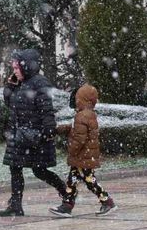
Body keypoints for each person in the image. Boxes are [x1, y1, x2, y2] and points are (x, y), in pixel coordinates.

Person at [0, 49, 68, 217]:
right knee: (15, 168)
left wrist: (47, 131)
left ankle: (66, 192)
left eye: (16, 67)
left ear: (26, 66)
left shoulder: (39, 83)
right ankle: (16, 205)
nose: (14, 71)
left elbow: (46, 109)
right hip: (19, 135)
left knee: (39, 170)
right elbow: (10, 103)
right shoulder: (20, 83)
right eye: (13, 68)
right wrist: (9, 86)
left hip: (34, 136)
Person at [50, 84, 117, 217]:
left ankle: (107, 201)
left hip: (82, 156)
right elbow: (77, 129)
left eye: (77, 99)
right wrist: (62, 129)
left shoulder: (81, 116)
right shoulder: (88, 115)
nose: (76, 102)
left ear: (84, 100)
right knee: (73, 180)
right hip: (86, 156)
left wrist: (71, 150)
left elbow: (80, 138)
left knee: (89, 180)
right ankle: (67, 205)